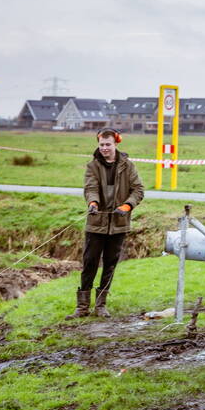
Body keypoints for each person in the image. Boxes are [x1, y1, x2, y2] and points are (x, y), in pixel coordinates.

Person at [67, 128, 144, 319]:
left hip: (119, 224)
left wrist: (127, 206)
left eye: (108, 144)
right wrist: (93, 203)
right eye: (101, 145)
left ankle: (101, 305)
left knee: (110, 264)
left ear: (116, 144)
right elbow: (90, 188)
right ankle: (82, 306)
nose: (104, 148)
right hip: (96, 223)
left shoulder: (128, 166)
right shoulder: (92, 166)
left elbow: (138, 190)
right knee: (90, 262)